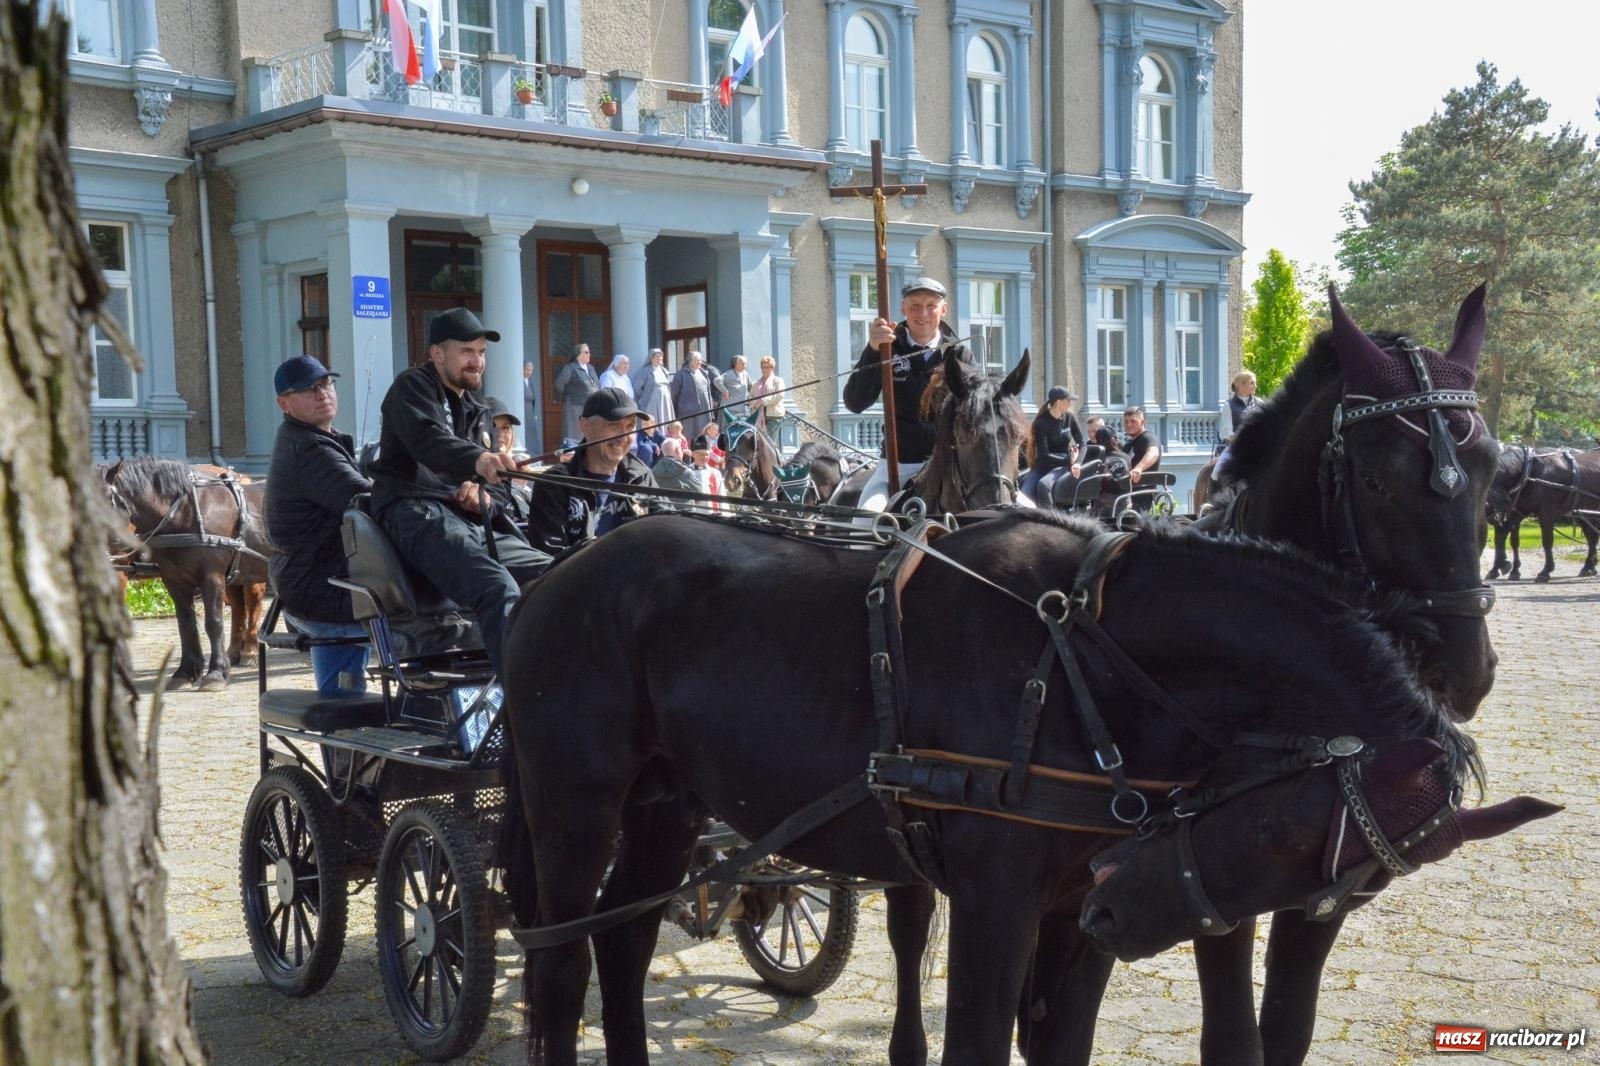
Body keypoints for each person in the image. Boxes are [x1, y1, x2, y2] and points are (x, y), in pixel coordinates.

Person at [368, 307, 549, 680]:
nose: (477, 361)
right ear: (437, 354)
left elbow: (494, 484)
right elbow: (429, 442)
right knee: (496, 587)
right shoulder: (411, 388)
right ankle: (516, 704)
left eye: (481, 353)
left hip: (467, 521)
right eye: (467, 351)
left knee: (555, 574)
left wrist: (483, 492)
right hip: (413, 511)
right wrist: (480, 460)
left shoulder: (477, 407)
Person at [264, 355, 371, 697]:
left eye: (326, 384)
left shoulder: (320, 439)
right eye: (309, 389)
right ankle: (348, 742)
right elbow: (364, 501)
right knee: (346, 699)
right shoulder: (308, 449)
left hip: (319, 579)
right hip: (321, 586)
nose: (322, 393)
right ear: (284, 403)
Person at [843, 277, 977, 511]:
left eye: (931, 306)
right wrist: (873, 351)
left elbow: (977, 412)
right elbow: (855, 402)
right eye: (915, 305)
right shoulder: (887, 349)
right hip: (897, 466)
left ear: (943, 309)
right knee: (865, 521)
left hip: (951, 468)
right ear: (903, 308)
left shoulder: (960, 354)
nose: (923, 313)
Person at [526, 387, 658, 554]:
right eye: (614, 425)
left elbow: (668, 527)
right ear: (586, 426)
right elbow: (550, 559)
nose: (623, 437)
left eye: (630, 427)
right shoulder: (554, 484)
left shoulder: (642, 476)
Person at [1022, 386, 1084, 505]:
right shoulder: (1041, 423)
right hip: (1044, 465)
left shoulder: (1069, 417)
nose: (1070, 404)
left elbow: (1082, 442)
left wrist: (1077, 463)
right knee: (1024, 495)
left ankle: (1050, 520)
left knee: (1044, 485)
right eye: (1068, 401)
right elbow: (1044, 455)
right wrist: (1070, 461)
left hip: (1062, 466)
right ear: (1058, 402)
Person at [485, 396, 533, 520]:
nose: (500, 435)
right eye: (493, 427)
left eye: (505, 428)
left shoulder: (524, 472)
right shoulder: (473, 476)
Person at [552, 342, 598, 447]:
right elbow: (559, 384)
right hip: (574, 406)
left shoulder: (591, 368)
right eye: (586, 352)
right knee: (575, 434)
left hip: (590, 407)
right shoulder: (571, 368)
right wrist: (569, 396)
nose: (589, 354)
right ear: (578, 354)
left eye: (589, 352)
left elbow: (596, 384)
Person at [670, 349, 715, 441]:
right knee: (689, 434)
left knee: (704, 433)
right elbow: (674, 393)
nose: (700, 362)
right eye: (697, 360)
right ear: (690, 361)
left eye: (700, 360)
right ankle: (688, 454)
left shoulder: (704, 373)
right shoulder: (681, 374)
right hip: (688, 410)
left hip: (704, 409)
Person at [633, 348, 675, 426]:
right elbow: (637, 387)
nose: (659, 358)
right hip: (652, 400)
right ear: (651, 358)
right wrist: (642, 399)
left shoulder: (664, 371)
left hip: (665, 400)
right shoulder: (646, 371)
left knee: (665, 418)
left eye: (661, 356)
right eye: (657, 356)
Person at [749, 354, 786, 440]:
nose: (764, 369)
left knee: (769, 442)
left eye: (767, 367)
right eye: (762, 367)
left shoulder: (778, 381)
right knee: (760, 442)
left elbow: (779, 395)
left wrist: (763, 401)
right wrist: (755, 403)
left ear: (772, 368)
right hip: (758, 416)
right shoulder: (756, 383)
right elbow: (750, 397)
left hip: (773, 416)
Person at [688, 434, 724, 510]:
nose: (704, 457)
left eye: (707, 454)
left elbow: (722, 498)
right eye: (701, 454)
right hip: (693, 517)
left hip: (713, 516)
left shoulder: (715, 473)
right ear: (693, 454)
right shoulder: (686, 472)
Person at [716, 354, 752, 422]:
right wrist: (725, 391)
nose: (744, 366)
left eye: (745, 364)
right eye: (741, 363)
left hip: (742, 410)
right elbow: (717, 381)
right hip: (730, 409)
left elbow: (751, 387)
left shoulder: (746, 374)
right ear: (735, 364)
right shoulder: (729, 374)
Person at [522, 361, 537, 434]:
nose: (529, 372)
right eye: (527, 370)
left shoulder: (530, 381)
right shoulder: (519, 381)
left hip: (530, 412)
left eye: (531, 370)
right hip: (523, 411)